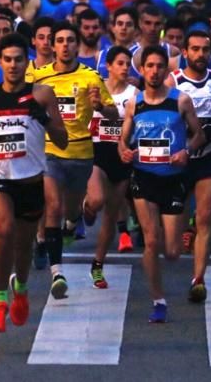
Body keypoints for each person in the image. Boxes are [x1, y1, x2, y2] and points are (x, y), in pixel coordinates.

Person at [0, 32, 67, 332]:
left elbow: (62, 138)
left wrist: (43, 119)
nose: (13, 65)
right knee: (4, 230)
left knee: (24, 246)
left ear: (27, 61)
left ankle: (20, 288)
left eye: (19, 59)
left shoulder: (43, 94)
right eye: (7, 59)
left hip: (31, 180)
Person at [119, 45, 204, 323]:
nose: (154, 71)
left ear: (166, 70)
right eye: (150, 66)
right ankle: (158, 300)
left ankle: (182, 234)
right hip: (143, 176)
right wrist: (124, 150)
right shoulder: (135, 103)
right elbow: (123, 139)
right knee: (151, 241)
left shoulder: (181, 101)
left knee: (172, 251)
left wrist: (187, 152)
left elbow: (199, 135)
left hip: (173, 178)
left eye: (159, 66)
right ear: (142, 70)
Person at [33, 21, 117, 299]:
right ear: (52, 45)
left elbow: (114, 115)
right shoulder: (39, 77)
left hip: (81, 155)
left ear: (77, 45)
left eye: (71, 40)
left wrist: (100, 107)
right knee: (53, 207)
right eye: (60, 40)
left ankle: (71, 222)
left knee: (70, 212)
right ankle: (57, 272)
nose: (65, 45)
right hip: (50, 152)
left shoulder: (91, 77)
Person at [168, 27, 211, 303]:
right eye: (195, 49)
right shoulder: (173, 81)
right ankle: (185, 229)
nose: (200, 54)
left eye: (205, 50)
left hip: (210, 155)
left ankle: (199, 279)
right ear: (185, 53)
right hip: (179, 159)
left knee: (205, 216)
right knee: (172, 244)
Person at [87, 45, 138, 287]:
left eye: (127, 64)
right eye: (120, 63)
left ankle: (97, 265)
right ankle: (83, 210)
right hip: (98, 152)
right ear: (108, 66)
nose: (125, 68)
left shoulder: (135, 93)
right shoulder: (95, 88)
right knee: (96, 201)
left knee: (110, 215)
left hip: (122, 155)